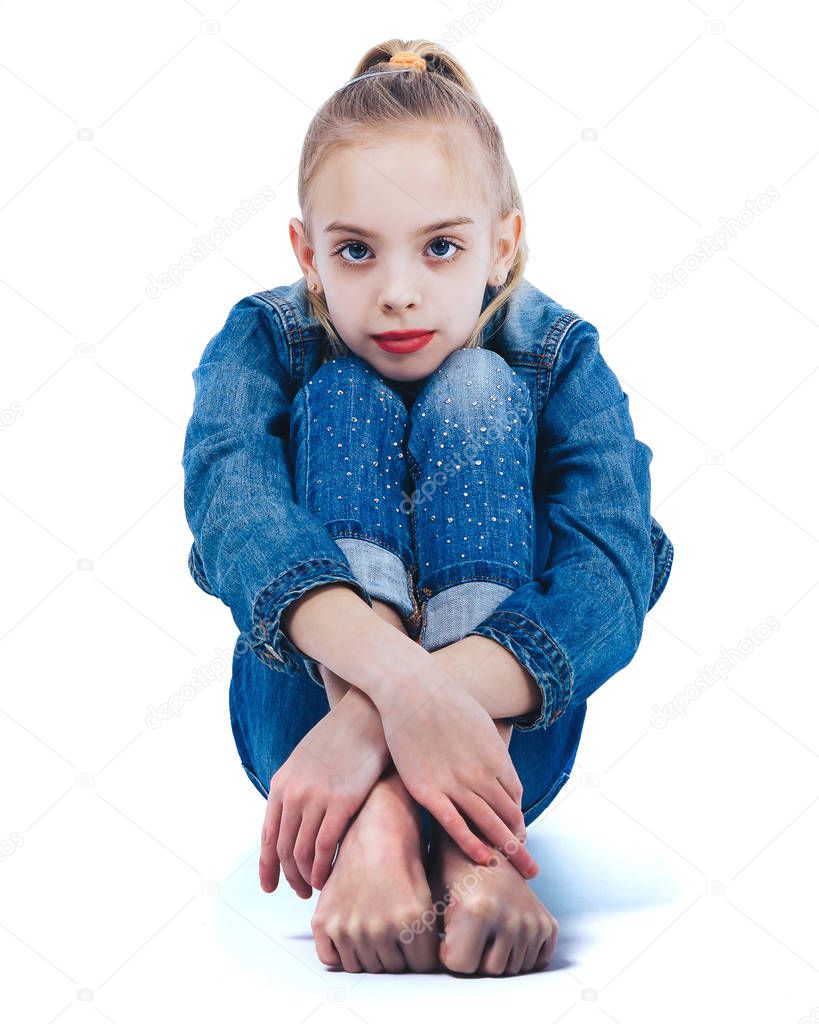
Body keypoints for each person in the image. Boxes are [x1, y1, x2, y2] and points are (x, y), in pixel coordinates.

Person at [181, 39, 674, 977]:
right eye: (355, 251)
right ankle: (373, 833)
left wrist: (386, 718)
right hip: (302, 736)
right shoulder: (263, 340)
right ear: (305, 252)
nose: (397, 291)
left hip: (501, 747)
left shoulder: (559, 354)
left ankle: (457, 838)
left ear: (501, 245)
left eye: (440, 246)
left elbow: (608, 573)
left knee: (479, 387)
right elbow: (231, 510)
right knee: (343, 394)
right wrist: (396, 691)